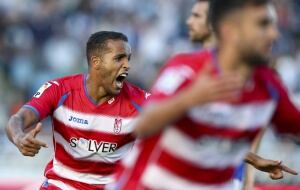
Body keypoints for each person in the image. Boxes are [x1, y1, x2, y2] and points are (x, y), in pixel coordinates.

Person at [113, 0, 300, 189]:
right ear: (230, 31)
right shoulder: (186, 69)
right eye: (262, 25)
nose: (274, 34)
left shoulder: (268, 86)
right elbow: (143, 125)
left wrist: (255, 162)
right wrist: (190, 98)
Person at [5, 31, 149, 190]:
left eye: (128, 59)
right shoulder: (60, 90)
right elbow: (17, 120)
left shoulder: (141, 102)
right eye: (119, 58)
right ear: (96, 62)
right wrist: (19, 138)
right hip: (61, 186)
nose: (127, 65)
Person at [186, 0, 297, 189]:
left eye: (197, 16)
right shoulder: (187, 68)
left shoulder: (253, 78)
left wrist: (248, 179)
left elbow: (248, 138)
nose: (189, 22)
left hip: (226, 179)